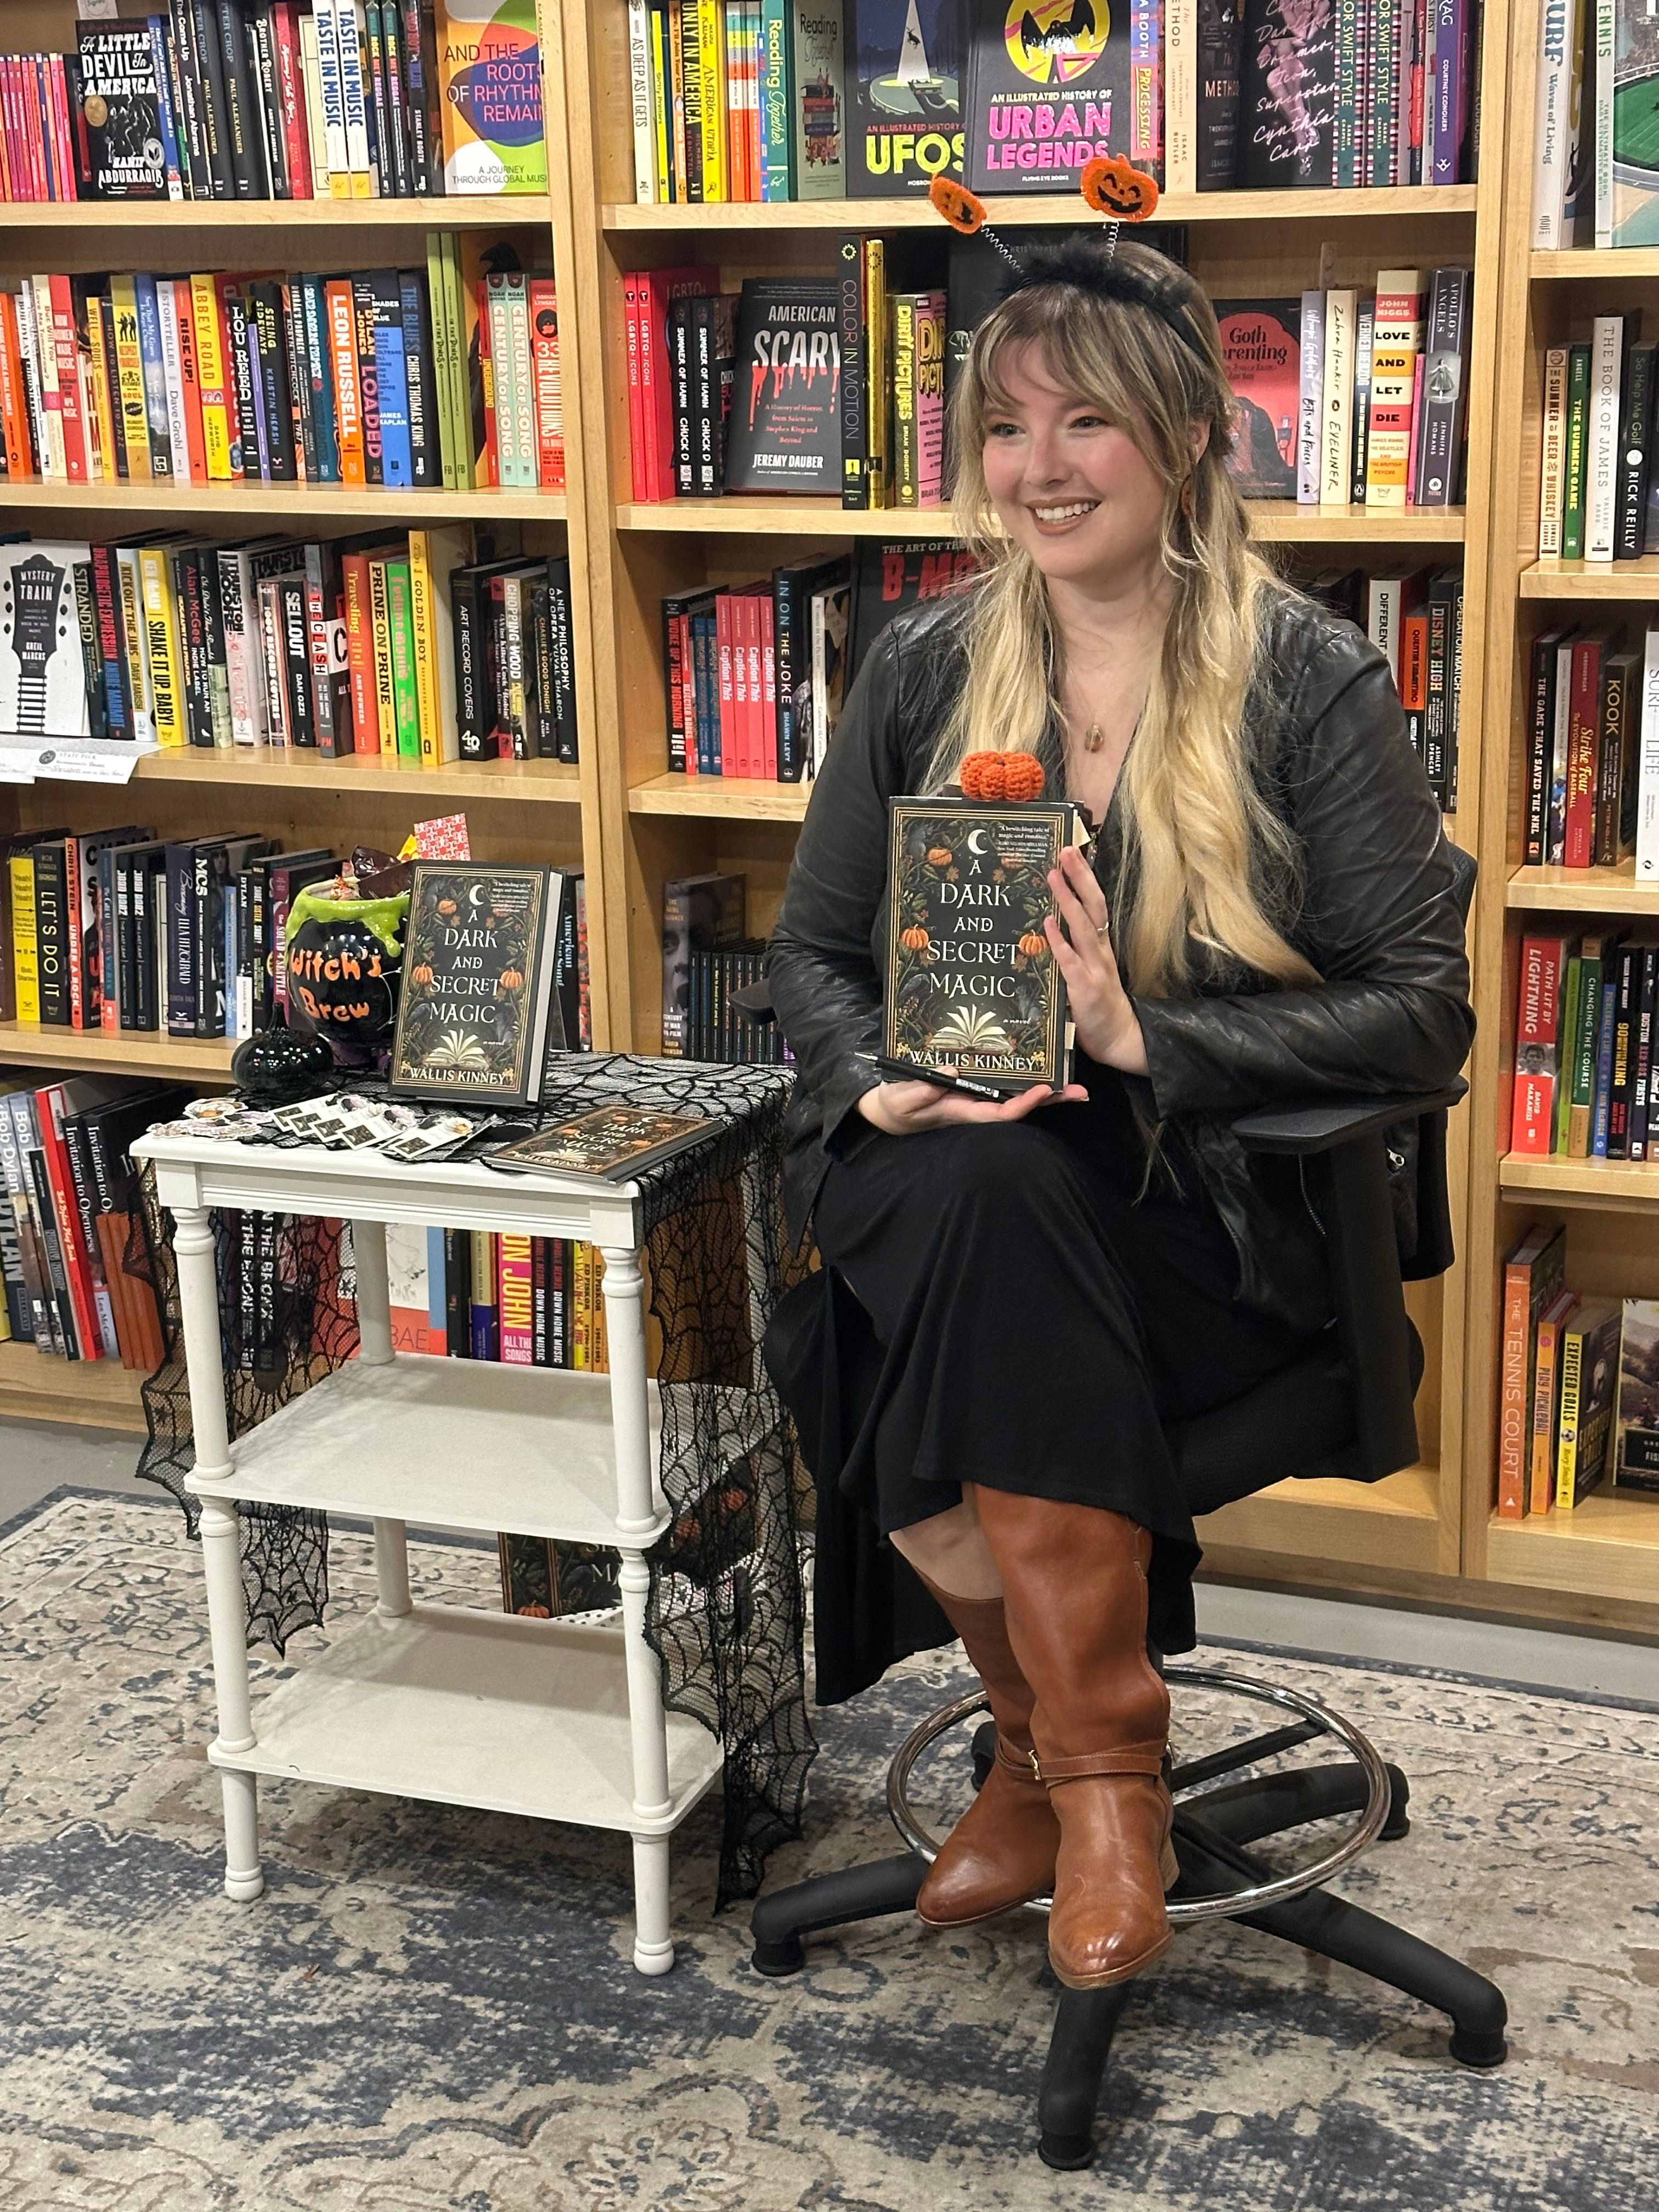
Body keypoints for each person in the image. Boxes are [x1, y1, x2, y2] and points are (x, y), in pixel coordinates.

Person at [763, 234, 1474, 1995]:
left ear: (1186, 439)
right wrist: (875, 1081)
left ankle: (1050, 1764)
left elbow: (1424, 1009)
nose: (1042, 468)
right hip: (955, 1167)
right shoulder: (923, 666)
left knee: (899, 1306)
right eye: (1007, 430)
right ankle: (1098, 1774)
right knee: (974, 1188)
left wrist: (1143, 1035)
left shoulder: (1305, 680)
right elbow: (814, 958)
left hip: (1201, 1216)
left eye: (1086, 422)